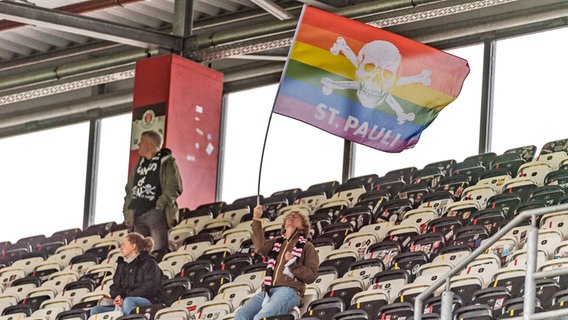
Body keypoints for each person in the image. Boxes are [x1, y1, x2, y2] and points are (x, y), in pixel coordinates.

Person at [234, 204, 319, 320]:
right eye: (289, 216)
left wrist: (293, 264)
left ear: (303, 228)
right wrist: (256, 219)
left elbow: (311, 276)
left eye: (296, 217)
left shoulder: (307, 246)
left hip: (290, 290)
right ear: (284, 226)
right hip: (267, 291)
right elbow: (259, 247)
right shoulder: (276, 242)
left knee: (261, 318)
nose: (292, 217)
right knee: (240, 315)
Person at [123, 130, 183, 257]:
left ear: (150, 144)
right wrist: (128, 211)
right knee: (140, 255)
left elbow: (174, 187)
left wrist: (159, 204)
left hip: (156, 212)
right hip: (138, 214)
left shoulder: (166, 161)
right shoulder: (139, 165)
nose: (138, 144)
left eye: (141, 142)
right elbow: (129, 189)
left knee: (158, 250)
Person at [90, 232, 163, 316]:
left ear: (133, 246)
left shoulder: (149, 262)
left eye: (124, 245)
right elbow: (115, 286)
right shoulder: (122, 264)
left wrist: (125, 299)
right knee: (96, 310)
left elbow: (149, 288)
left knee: (129, 302)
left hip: (149, 301)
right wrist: (117, 297)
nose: (121, 248)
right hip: (125, 301)